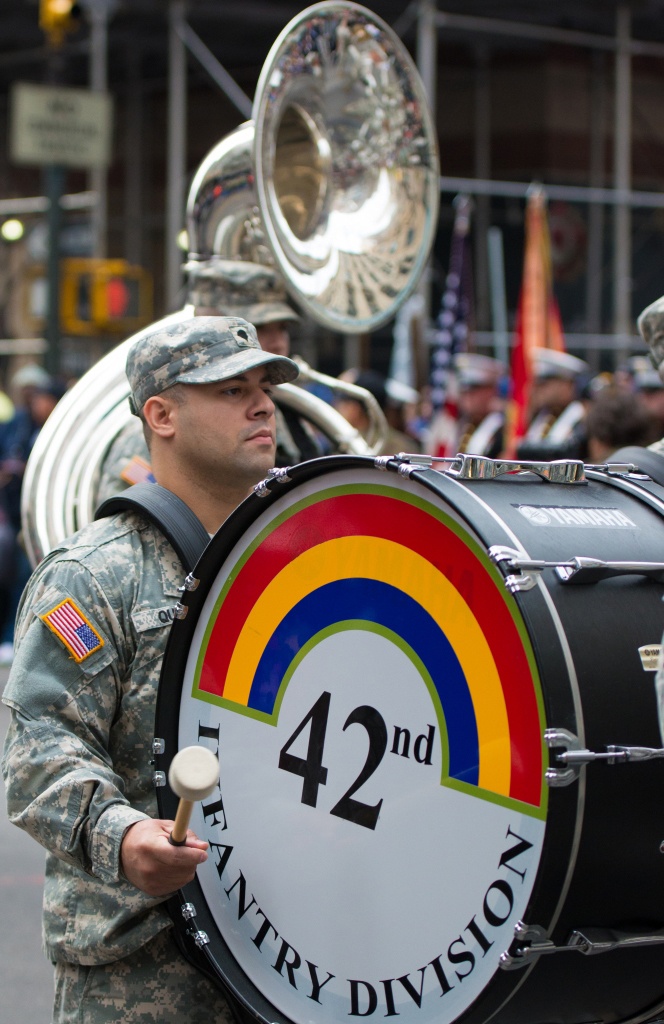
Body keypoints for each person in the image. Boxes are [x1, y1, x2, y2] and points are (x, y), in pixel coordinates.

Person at [1, 316, 299, 1024]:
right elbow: (39, 749)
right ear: (160, 415)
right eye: (231, 389)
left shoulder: (303, 566)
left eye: (264, 386)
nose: (262, 405)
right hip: (144, 977)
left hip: (283, 955)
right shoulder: (93, 575)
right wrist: (121, 834)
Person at [96, 263, 320, 503]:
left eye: (283, 328)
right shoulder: (164, 436)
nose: (277, 343)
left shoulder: (291, 424)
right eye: (260, 327)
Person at [424, 353, 505, 458]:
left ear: (491, 390)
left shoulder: (502, 428)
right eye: (464, 390)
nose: (467, 396)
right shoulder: (460, 425)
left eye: (474, 389)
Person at [517, 347, 589, 460]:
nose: (537, 389)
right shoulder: (541, 417)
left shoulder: (583, 420)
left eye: (545, 384)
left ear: (567, 385)